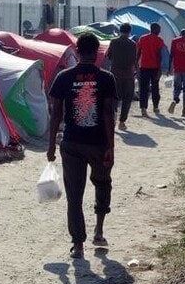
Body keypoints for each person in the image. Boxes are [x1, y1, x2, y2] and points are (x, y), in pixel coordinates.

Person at [47, 33, 116, 260]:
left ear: (77, 50)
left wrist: (50, 146)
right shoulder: (106, 78)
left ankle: (78, 244)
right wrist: (111, 147)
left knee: (74, 196)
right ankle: (99, 230)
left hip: (72, 144)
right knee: (103, 184)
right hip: (98, 144)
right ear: (96, 52)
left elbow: (55, 113)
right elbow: (107, 114)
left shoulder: (64, 77)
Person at [105, 23, 137, 131]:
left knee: (114, 97)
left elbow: (109, 56)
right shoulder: (133, 44)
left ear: (120, 30)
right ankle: (122, 122)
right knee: (127, 99)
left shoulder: (113, 42)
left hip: (115, 74)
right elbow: (134, 60)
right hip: (128, 75)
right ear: (129, 32)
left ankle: (113, 117)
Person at [135, 22, 165, 116]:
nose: (159, 31)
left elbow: (138, 52)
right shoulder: (159, 40)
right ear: (155, 29)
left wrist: (136, 65)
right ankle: (155, 107)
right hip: (155, 67)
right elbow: (159, 55)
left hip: (143, 67)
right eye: (159, 29)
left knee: (143, 88)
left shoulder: (142, 38)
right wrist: (160, 69)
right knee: (155, 88)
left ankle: (143, 108)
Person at [167, 29, 185, 117]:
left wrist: (169, 68)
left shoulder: (174, 41)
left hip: (177, 69)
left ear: (180, 34)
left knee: (177, 87)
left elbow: (171, 55)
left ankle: (175, 99)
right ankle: (184, 110)